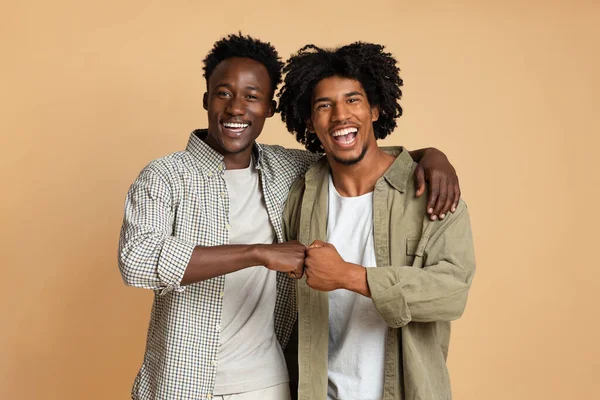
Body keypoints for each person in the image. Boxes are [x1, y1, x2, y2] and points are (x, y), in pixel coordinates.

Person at [118, 33, 461, 400]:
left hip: (268, 384)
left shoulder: (286, 169)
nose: (236, 108)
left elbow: (352, 149)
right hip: (182, 382)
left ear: (269, 108)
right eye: (223, 93)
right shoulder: (166, 176)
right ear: (206, 99)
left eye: (252, 96)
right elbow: (136, 260)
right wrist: (258, 252)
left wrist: (430, 156)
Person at [280, 42, 476, 400]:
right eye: (324, 105)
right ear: (310, 122)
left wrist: (350, 276)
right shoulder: (301, 194)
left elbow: (452, 292)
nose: (340, 116)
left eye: (352, 100)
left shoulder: (431, 192)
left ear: (375, 109)